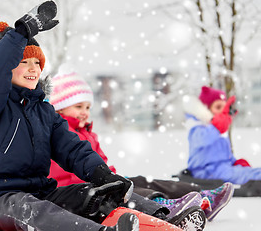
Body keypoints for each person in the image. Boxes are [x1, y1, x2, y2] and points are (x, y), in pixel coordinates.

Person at [0, 0, 192, 231]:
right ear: (5, 68)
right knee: (31, 208)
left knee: (98, 195)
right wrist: (20, 33)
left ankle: (166, 220)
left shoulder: (44, 112)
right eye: (23, 62)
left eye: (37, 62)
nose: (34, 68)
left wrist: (103, 176)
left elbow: (72, 149)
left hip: (42, 192)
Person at [47, 72, 225, 225]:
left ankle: (200, 196)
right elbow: (68, 169)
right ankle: (164, 207)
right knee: (129, 192)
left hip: (100, 181)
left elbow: (100, 161)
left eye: (87, 107)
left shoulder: (87, 132)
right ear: (60, 108)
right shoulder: (61, 133)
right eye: (78, 107)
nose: (85, 112)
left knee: (141, 181)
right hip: (79, 189)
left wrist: (112, 175)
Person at [183, 86, 261, 185]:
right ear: (206, 109)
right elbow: (203, 139)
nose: (221, 112)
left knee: (247, 172)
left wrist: (234, 162)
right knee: (246, 175)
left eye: (224, 108)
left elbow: (225, 154)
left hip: (222, 169)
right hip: (206, 172)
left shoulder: (220, 128)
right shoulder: (197, 127)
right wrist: (217, 126)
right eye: (218, 107)